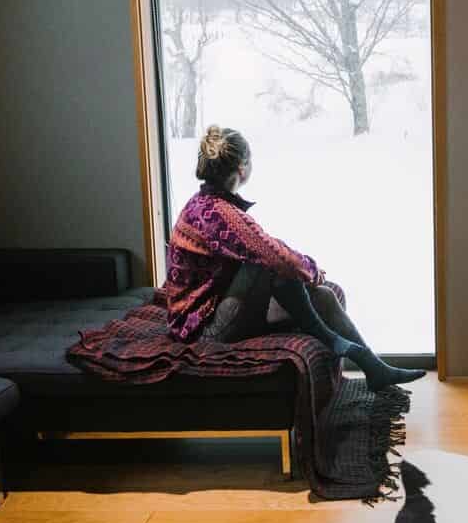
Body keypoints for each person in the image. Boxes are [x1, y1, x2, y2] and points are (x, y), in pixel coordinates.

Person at [165, 125, 425, 390]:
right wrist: (310, 269)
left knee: (323, 296)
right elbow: (274, 256)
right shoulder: (218, 214)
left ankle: (375, 368)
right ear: (242, 168)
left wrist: (305, 271)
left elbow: (270, 248)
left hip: (221, 309)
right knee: (268, 264)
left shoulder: (207, 204)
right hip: (203, 332)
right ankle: (326, 336)